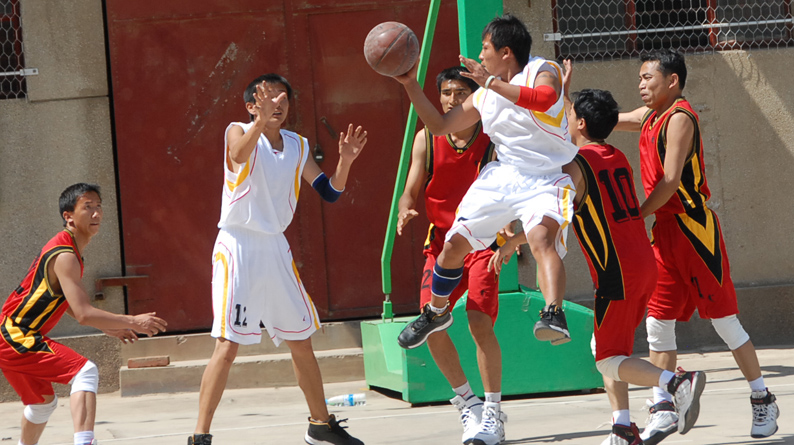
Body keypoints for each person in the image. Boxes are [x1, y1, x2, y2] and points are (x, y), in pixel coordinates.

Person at [491, 74, 707, 445]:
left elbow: (548, 219)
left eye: (570, 113)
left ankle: (676, 382)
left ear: (581, 123)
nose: (566, 117)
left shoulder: (576, 167)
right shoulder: (615, 156)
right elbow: (578, 126)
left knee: (607, 358)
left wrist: (513, 241)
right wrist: (564, 94)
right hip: (642, 262)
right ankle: (622, 427)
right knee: (605, 348)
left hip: (616, 273)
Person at [392, 14, 578, 444]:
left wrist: (490, 82)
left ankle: (553, 313)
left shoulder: (542, 69)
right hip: (505, 176)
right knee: (451, 248)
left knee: (541, 239)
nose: (479, 56)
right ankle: (436, 312)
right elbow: (439, 125)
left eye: (485, 49)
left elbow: (544, 97)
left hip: (546, 177)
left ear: (505, 52)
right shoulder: (484, 96)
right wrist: (409, 85)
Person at [188, 74, 367, 445]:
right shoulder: (238, 131)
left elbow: (329, 192)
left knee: (301, 340)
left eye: (284, 99)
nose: (278, 105)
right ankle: (200, 436)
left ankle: (320, 425)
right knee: (227, 345)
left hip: (274, 248)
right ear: (252, 105)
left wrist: (346, 161)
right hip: (238, 245)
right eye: (269, 99)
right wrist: (258, 122)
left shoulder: (297, 144)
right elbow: (237, 157)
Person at [614, 49, 779, 442]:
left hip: (695, 232)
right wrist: (560, 100)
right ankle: (663, 406)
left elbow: (670, 181)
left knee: (724, 322)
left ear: (672, 81)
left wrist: (635, 216)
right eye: (639, 78)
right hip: (665, 233)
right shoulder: (649, 116)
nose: (641, 84)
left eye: (648, 78)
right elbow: (606, 119)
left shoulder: (680, 118)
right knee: (658, 321)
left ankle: (763, 398)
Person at [0, 183, 167, 445]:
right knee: (85, 372)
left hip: (11, 335)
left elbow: (63, 300)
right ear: (68, 216)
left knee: (42, 404)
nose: (96, 213)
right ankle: (85, 441)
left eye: (98, 206)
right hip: (16, 336)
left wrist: (105, 326)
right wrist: (134, 321)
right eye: (87, 207)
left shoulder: (68, 249)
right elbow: (83, 314)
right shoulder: (65, 255)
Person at [396, 66, 502, 444]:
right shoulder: (427, 137)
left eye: (460, 93)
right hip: (442, 243)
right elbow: (411, 187)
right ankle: (468, 402)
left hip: (482, 241)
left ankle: (493, 413)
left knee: (478, 322)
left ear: (473, 98)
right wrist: (405, 206)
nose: (452, 100)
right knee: (431, 323)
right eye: (446, 93)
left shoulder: (491, 137)